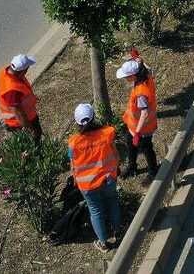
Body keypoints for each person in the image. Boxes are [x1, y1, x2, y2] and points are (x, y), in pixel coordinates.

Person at [67, 103, 121, 253]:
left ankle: (103, 243)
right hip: (108, 178)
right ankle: (118, 230)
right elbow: (116, 155)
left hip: (88, 186)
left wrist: (76, 181)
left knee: (96, 211)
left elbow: (73, 167)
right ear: (93, 117)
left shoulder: (73, 143)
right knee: (112, 201)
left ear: (77, 122)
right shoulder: (108, 132)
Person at [117, 54, 159, 179]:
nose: (125, 79)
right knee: (130, 144)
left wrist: (137, 132)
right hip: (132, 125)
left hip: (142, 128)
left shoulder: (141, 93)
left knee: (146, 148)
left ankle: (153, 172)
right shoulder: (145, 75)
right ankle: (132, 166)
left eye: (126, 77)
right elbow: (147, 67)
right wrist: (139, 60)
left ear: (133, 76)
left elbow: (144, 113)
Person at [0, 53, 41, 141]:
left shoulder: (5, 71)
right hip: (19, 125)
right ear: (22, 72)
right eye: (27, 68)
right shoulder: (12, 91)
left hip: (26, 119)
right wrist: (31, 131)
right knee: (32, 145)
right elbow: (19, 114)